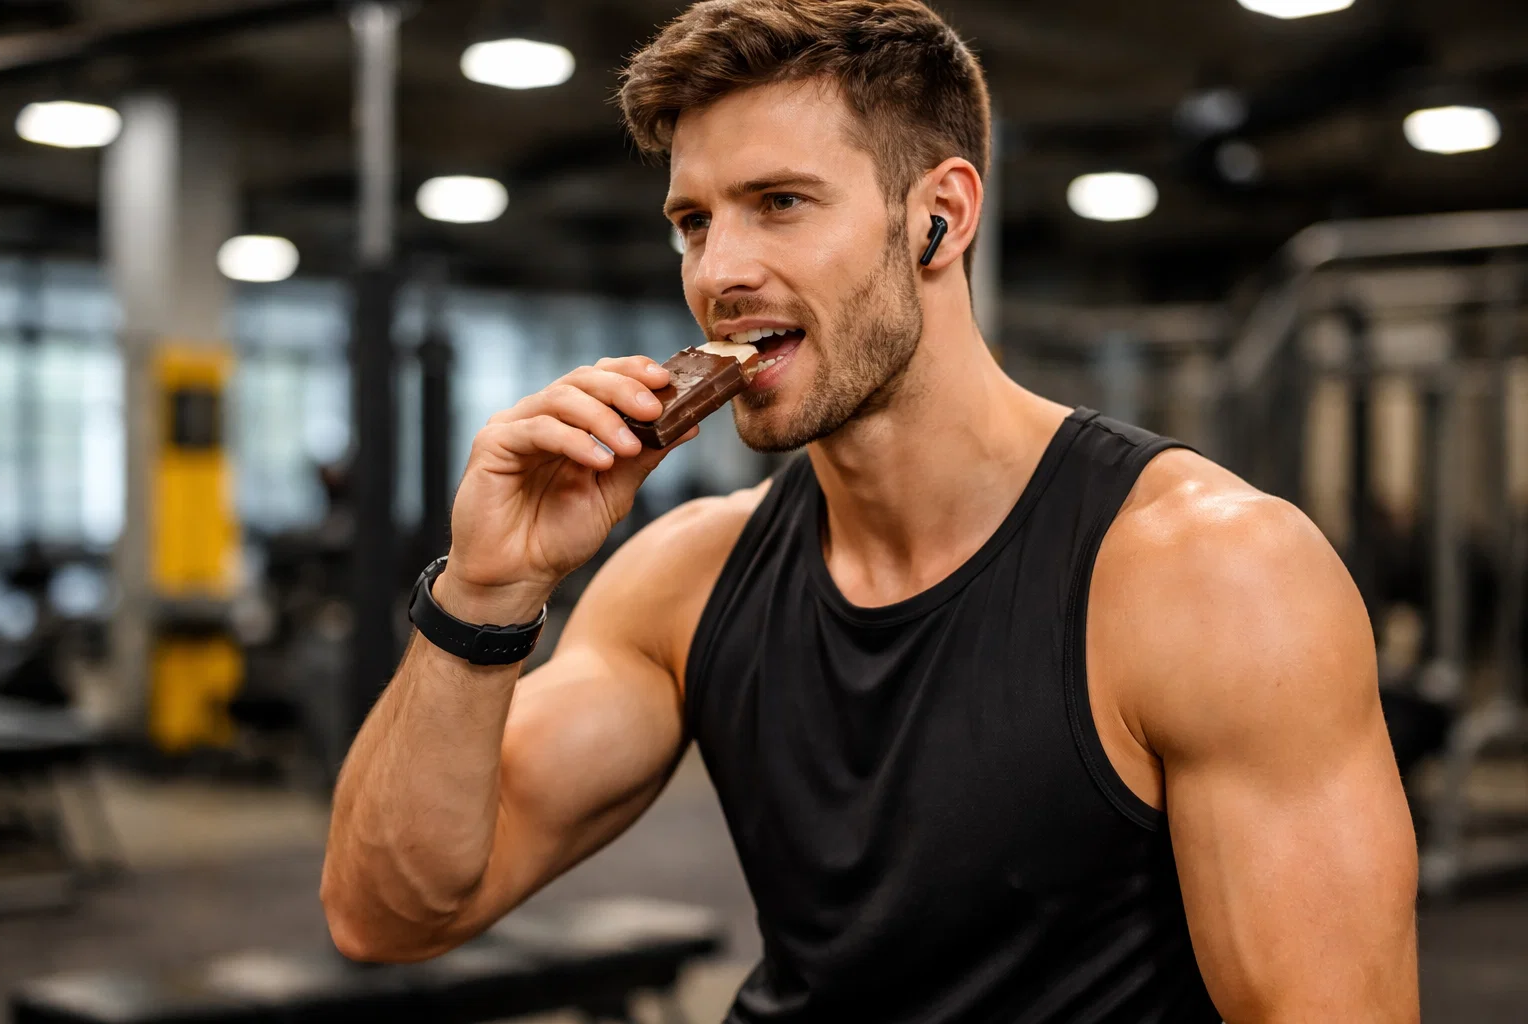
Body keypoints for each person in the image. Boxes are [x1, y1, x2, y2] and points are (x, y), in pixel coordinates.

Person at [321, 1, 1420, 1020]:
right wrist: (486, 590)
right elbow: (387, 910)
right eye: (693, 221)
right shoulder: (691, 577)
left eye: (780, 204)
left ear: (938, 219)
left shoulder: (1208, 572)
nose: (720, 270)